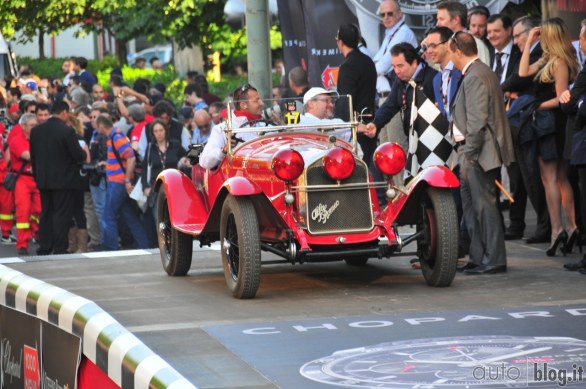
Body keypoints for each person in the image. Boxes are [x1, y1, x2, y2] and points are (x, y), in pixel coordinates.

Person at [449, 32, 514, 275]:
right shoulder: (478, 73)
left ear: (457, 50)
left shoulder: (476, 75)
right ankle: (478, 257)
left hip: (477, 154)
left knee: (484, 207)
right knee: (473, 208)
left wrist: (468, 153)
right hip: (473, 153)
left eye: (449, 49)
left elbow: (477, 123)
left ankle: (494, 259)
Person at [518, 18, 580, 257]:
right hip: (547, 123)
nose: (540, 39)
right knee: (555, 178)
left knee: (552, 178)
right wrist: (527, 46)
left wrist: (537, 105)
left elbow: (562, 97)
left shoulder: (560, 62)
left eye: (543, 36)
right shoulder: (548, 59)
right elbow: (523, 72)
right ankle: (566, 228)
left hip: (553, 123)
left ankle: (562, 228)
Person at [504, 16, 550, 245]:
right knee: (527, 178)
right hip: (524, 122)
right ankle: (545, 227)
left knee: (540, 178)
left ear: (533, 33)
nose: (514, 42)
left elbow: (516, 80)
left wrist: (507, 89)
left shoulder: (541, 51)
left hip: (538, 123)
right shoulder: (528, 53)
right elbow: (517, 79)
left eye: (517, 36)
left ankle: (549, 227)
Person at [29, 101, 87, 255]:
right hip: (64, 180)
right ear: (64, 113)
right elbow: (78, 155)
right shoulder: (66, 131)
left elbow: (33, 157)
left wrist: (37, 176)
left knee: (46, 212)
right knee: (61, 214)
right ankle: (60, 247)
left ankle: (45, 246)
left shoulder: (36, 131)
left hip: (43, 179)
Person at [486, 14, 525, 240]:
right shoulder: (490, 54)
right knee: (494, 173)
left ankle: (517, 223)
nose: (491, 35)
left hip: (514, 122)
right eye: (489, 32)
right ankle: (500, 223)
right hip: (492, 122)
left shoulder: (521, 53)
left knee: (516, 174)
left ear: (509, 30)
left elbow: (520, 81)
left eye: (496, 31)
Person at [366, 43, 437, 145]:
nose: (396, 71)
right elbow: (390, 105)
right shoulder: (400, 80)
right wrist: (376, 123)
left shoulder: (432, 78)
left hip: (432, 141)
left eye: (400, 66)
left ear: (414, 63)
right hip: (412, 140)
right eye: (394, 67)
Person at [95, 114, 149, 251]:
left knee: (108, 216)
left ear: (101, 126)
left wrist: (126, 180)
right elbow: (124, 158)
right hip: (120, 182)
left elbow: (130, 157)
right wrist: (108, 164)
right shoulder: (117, 136)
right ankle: (144, 245)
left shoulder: (116, 138)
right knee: (129, 216)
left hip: (118, 183)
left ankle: (111, 248)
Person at [335, 23, 377, 167]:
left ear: (340, 42)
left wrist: (340, 126)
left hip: (355, 129)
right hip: (370, 122)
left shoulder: (348, 66)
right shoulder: (368, 61)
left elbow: (345, 100)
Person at [141, 119, 188, 245]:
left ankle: (177, 243)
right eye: (156, 131)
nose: (159, 133)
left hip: (174, 188)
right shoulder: (151, 148)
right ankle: (165, 244)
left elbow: (186, 157)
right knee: (160, 217)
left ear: (165, 131)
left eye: (161, 130)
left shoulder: (175, 145)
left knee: (175, 215)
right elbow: (145, 168)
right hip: (156, 190)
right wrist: (145, 186)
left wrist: (183, 161)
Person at [199, 84, 265, 170]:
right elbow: (204, 161)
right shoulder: (221, 129)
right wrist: (224, 150)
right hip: (240, 178)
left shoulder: (265, 124)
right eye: (256, 101)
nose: (262, 103)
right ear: (243, 105)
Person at [371, 0, 418, 101]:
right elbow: (376, 60)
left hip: (407, 90)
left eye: (390, 13)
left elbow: (382, 67)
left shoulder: (403, 32)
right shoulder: (390, 33)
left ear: (399, 14)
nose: (386, 17)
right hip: (395, 89)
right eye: (383, 14)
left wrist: (373, 69)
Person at [8, 113, 40, 256]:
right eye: (32, 125)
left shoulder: (38, 139)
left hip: (36, 178)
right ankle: (22, 244)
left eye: (36, 125)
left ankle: (36, 232)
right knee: (23, 212)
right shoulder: (17, 140)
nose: (35, 128)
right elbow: (27, 155)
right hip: (22, 179)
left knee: (39, 209)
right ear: (23, 126)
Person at [436, 1, 490, 66]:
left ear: (455, 20)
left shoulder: (477, 45)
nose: (437, 24)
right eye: (438, 19)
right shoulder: (443, 44)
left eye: (441, 19)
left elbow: (484, 74)